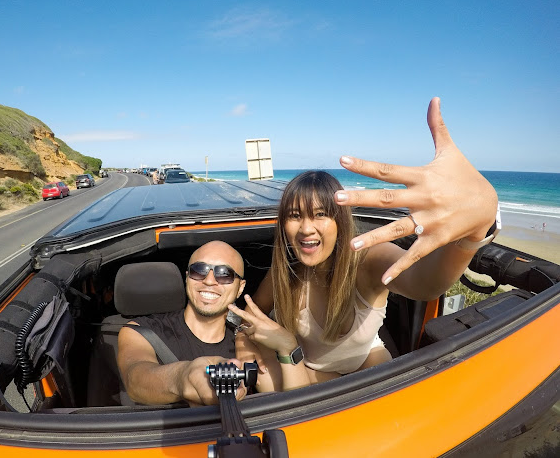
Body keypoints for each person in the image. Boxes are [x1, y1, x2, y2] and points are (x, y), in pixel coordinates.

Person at [229, 97, 500, 392]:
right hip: (302, 372)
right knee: (267, 384)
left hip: (366, 369)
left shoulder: (367, 259)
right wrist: (244, 343)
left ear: (340, 222)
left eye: (321, 214)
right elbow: (250, 314)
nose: (307, 228)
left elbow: (426, 284)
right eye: (295, 216)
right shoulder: (286, 272)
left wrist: (475, 231)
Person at [117, 240, 248, 406]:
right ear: (187, 277)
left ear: (240, 287)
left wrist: (286, 351)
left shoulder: (247, 343)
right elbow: (135, 380)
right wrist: (183, 377)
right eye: (199, 270)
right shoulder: (140, 331)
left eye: (224, 274)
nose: (209, 281)